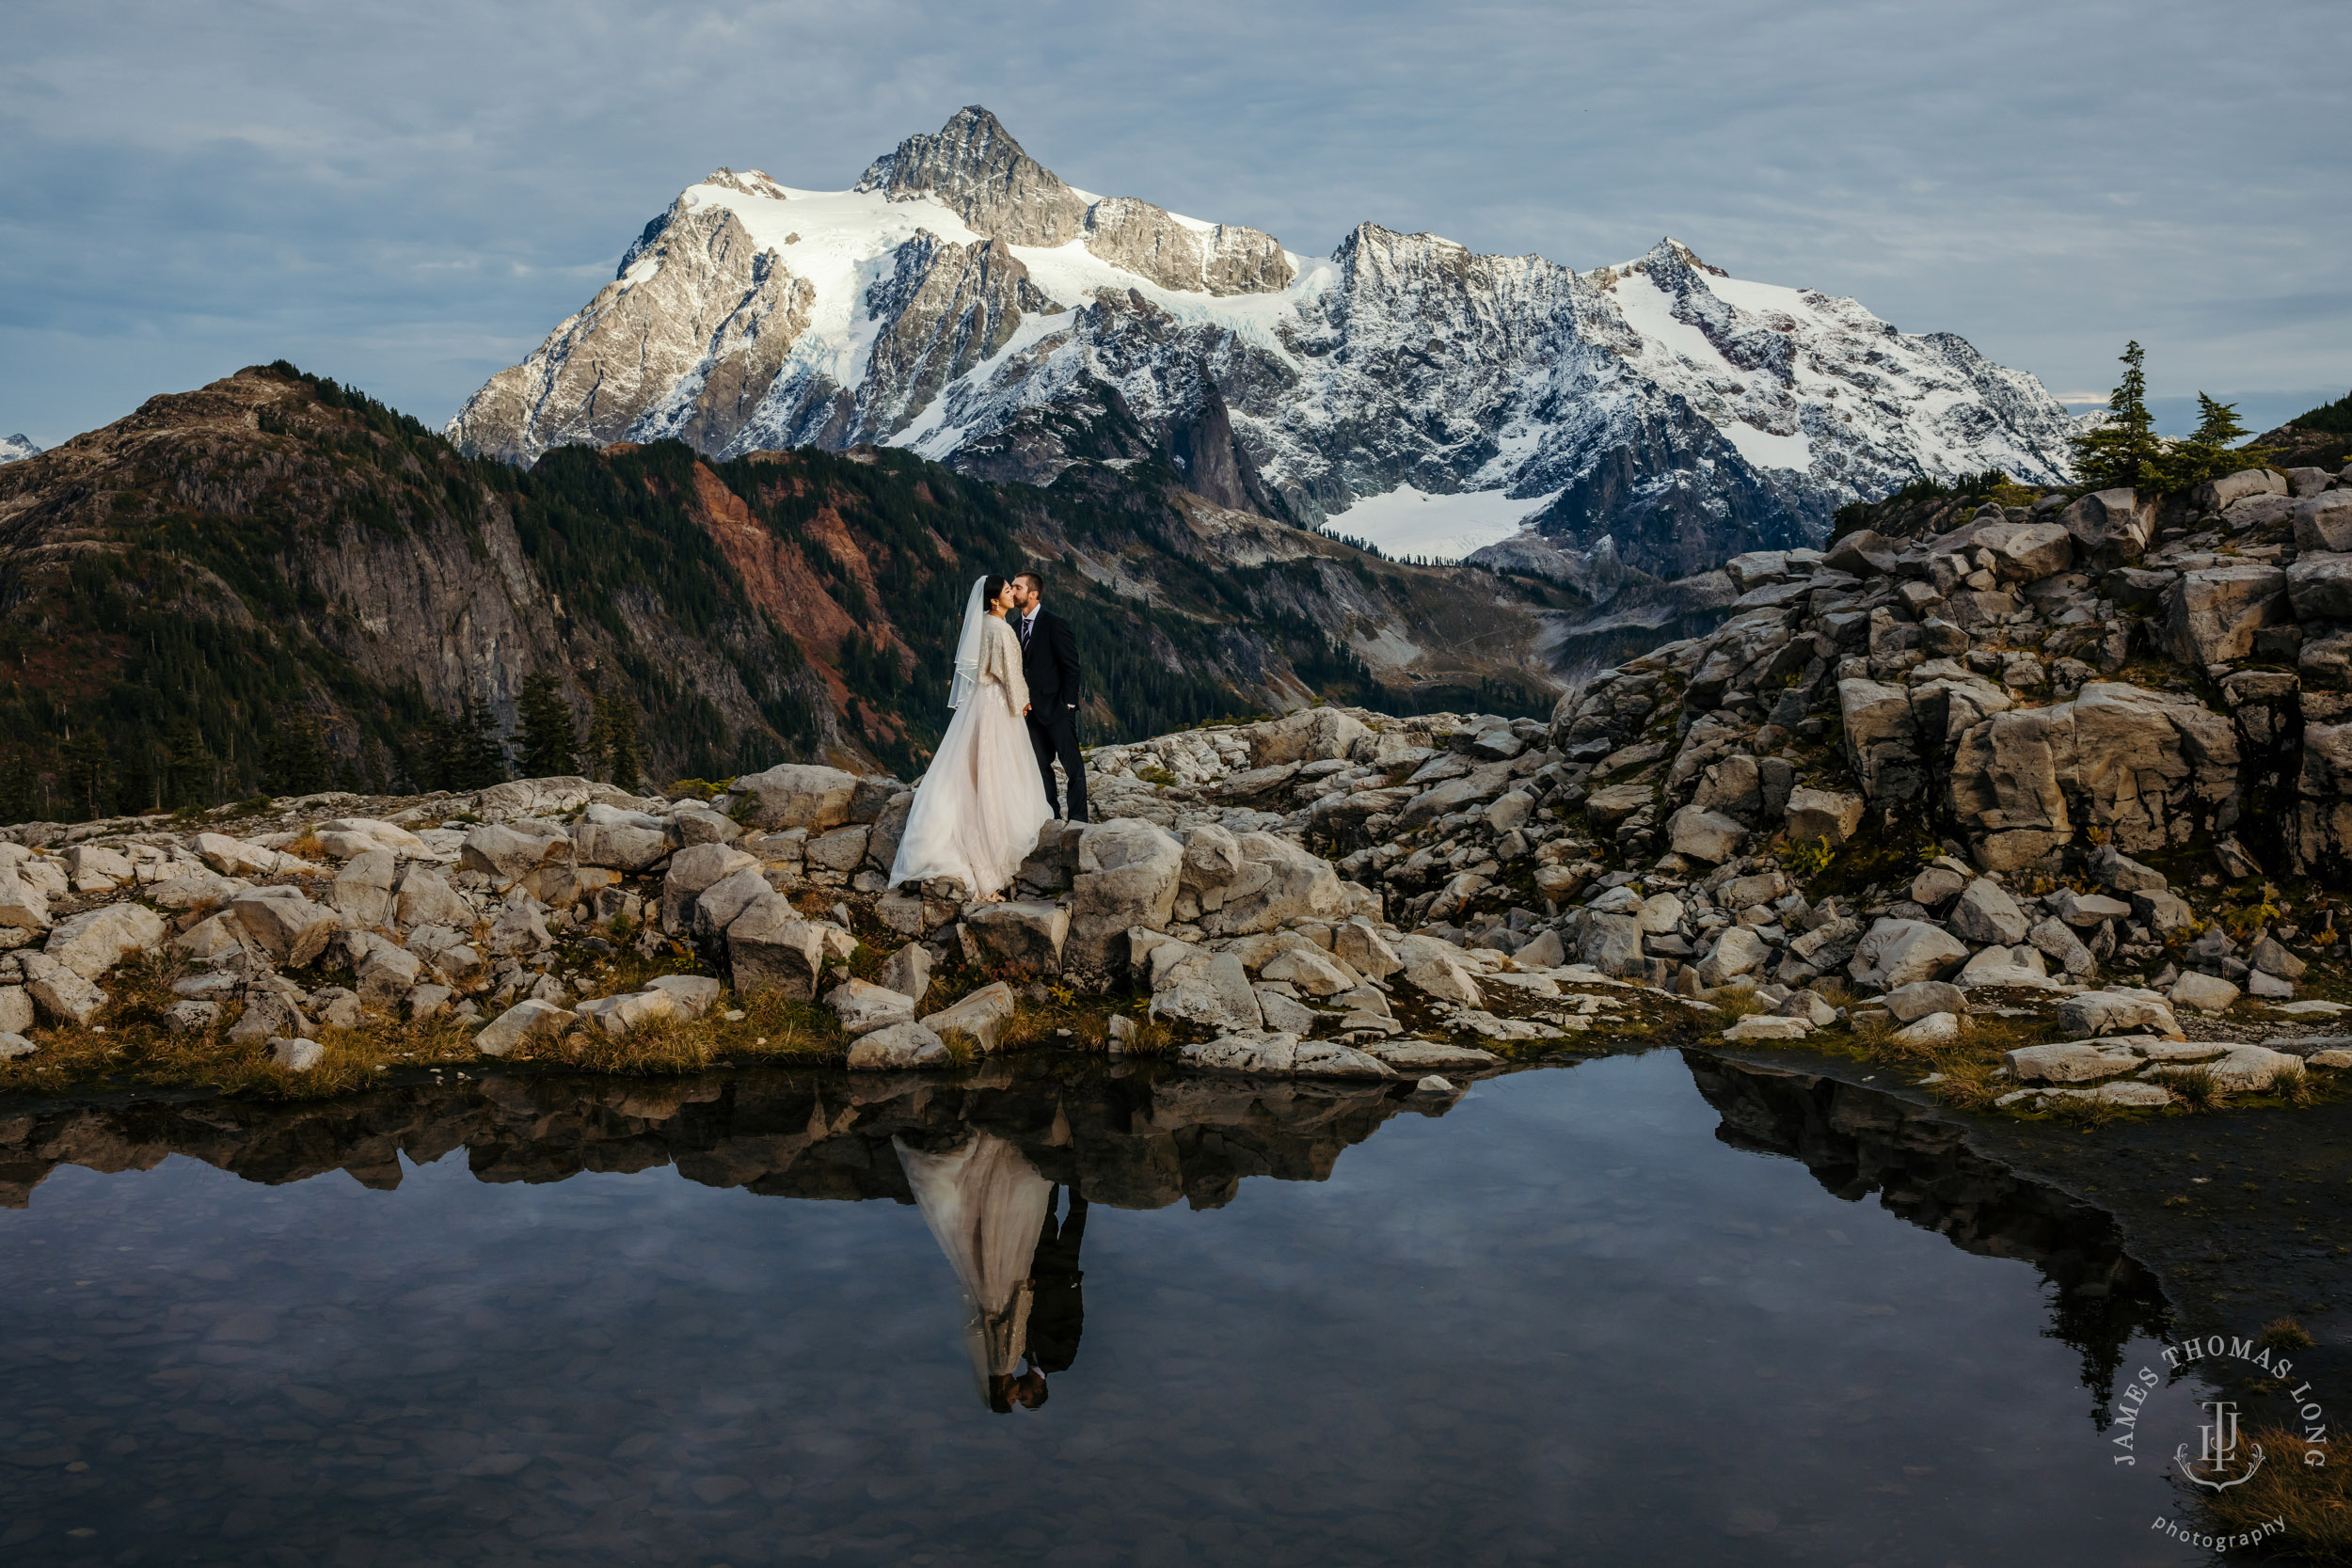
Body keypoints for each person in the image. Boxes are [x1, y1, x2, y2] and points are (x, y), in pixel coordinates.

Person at [886, 575, 1053, 901]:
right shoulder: (1002, 629)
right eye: (1007, 591)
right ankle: (992, 854)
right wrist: (1023, 702)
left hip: (980, 702)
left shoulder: (985, 625)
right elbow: (1009, 673)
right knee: (996, 772)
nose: (1012, 595)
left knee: (974, 771)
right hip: (996, 707)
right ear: (994, 600)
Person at [893, 1131, 1056, 1413]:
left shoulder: (1006, 1363)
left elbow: (1014, 1325)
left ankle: (992, 1154)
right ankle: (984, 1160)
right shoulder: (992, 1364)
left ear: (1004, 1390)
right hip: (988, 1299)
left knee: (1001, 1239)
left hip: (1002, 1297)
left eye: (1012, 1397)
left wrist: (1025, 1292)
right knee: (986, 1244)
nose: (1018, 1394)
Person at [1010, 571, 1088, 825]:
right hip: (1030, 712)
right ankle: (1051, 818)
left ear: (1033, 594)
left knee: (1073, 768)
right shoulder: (1013, 628)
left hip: (1057, 708)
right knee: (1041, 769)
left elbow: (1071, 665)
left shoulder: (1055, 623)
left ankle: (1078, 820)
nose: (1012, 591)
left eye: (1017, 587)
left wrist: (1069, 704)